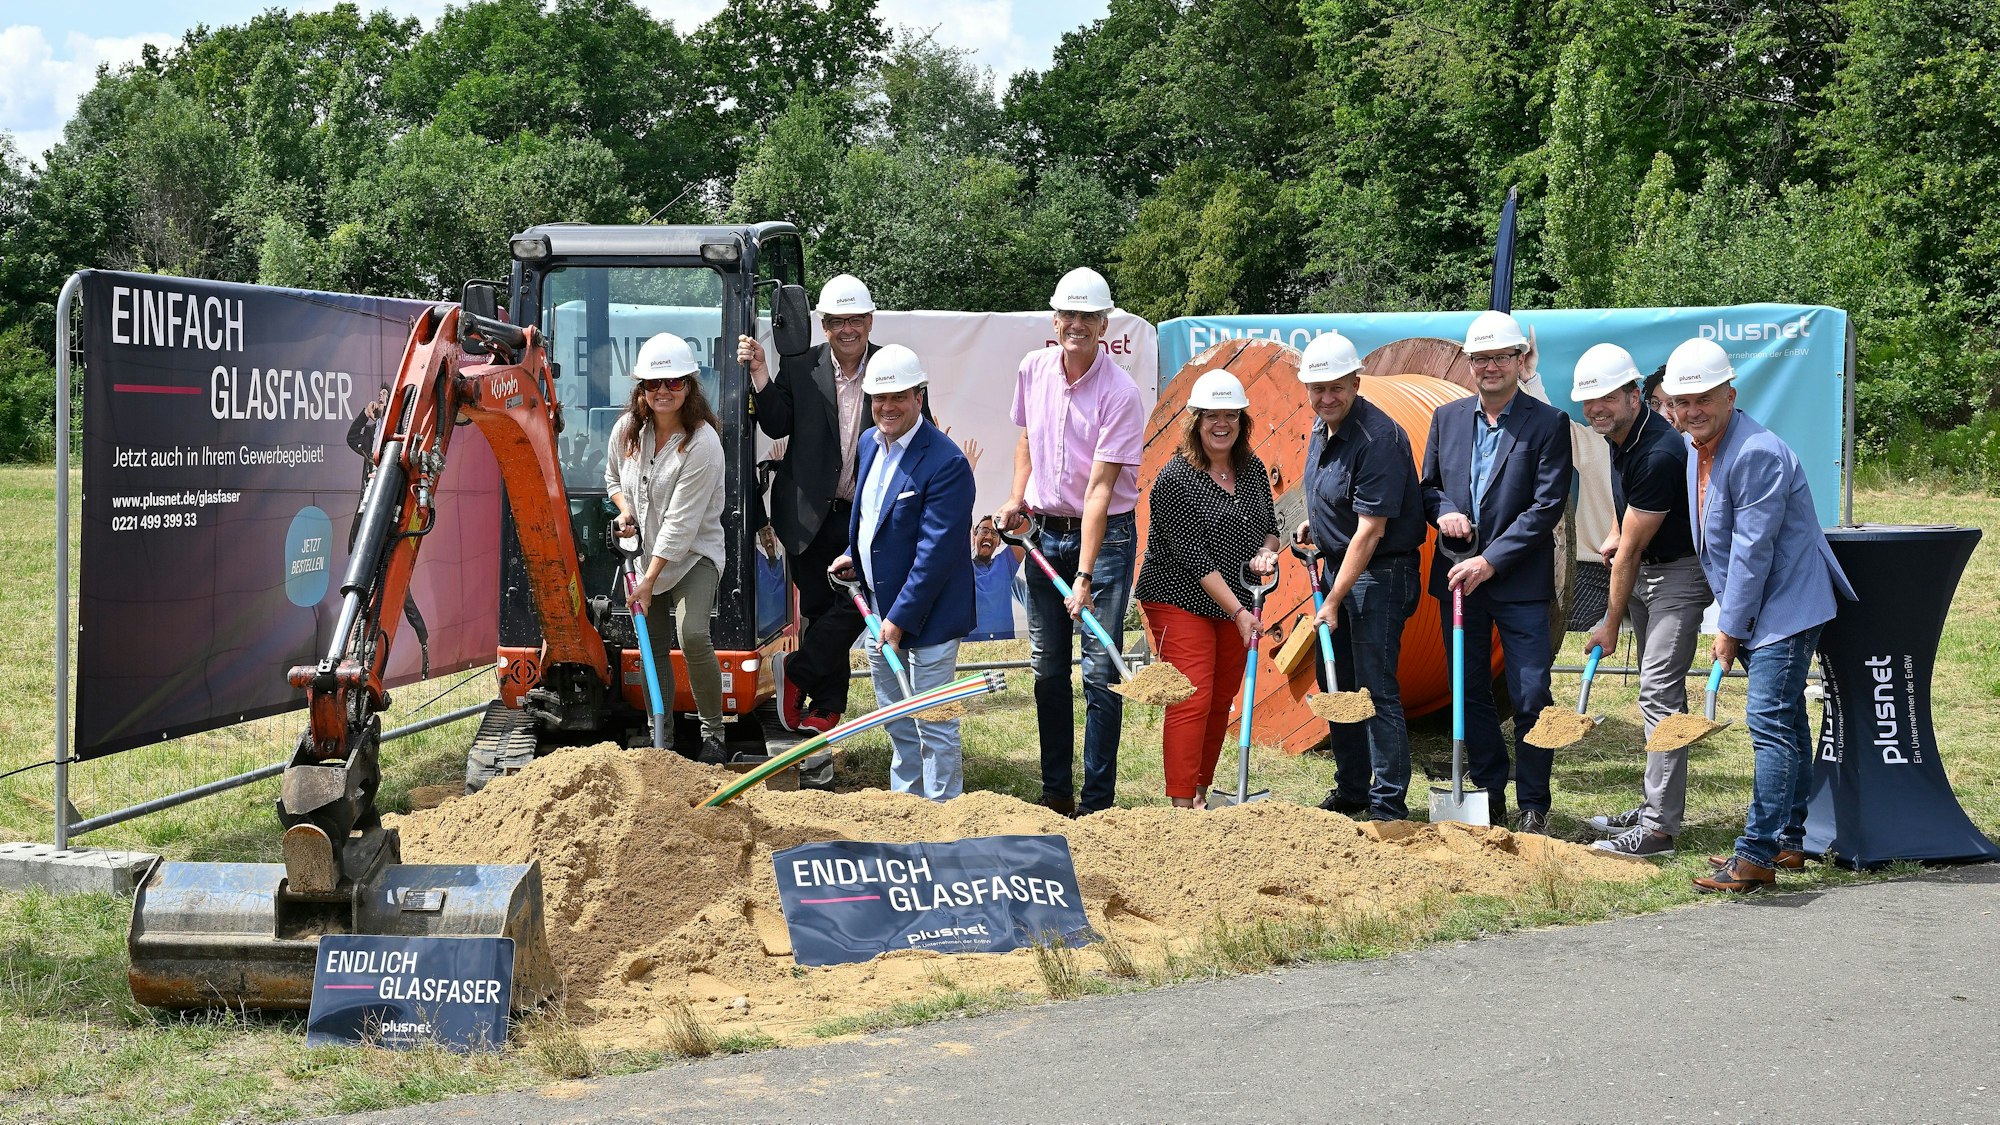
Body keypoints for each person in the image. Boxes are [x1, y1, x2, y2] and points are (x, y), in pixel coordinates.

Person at [1664, 338, 1856, 893]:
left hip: (1786, 605)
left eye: (1703, 398)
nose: (1692, 409)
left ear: (1730, 393)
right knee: (1789, 721)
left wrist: (1729, 628)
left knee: (1769, 725)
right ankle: (1791, 840)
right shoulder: (1698, 447)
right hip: (1760, 604)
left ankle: (1755, 855)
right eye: (1682, 400)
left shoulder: (1756, 453)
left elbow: (1754, 553)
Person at [994, 267, 1146, 817]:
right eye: (1069, 315)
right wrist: (1016, 499)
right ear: (1055, 320)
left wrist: (1084, 575)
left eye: (1089, 316)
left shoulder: (1121, 393)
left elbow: (1102, 491)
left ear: (1105, 324)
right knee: (1047, 665)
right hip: (1043, 533)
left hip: (1101, 542)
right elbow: (1026, 440)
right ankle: (1056, 793)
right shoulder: (1033, 369)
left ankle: (1098, 802)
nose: (1077, 325)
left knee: (1100, 672)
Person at [737, 274, 917, 734]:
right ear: (824, 324)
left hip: (869, 518)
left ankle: (797, 671)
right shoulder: (801, 365)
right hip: (808, 516)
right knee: (821, 609)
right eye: (837, 321)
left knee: (866, 603)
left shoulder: (892, 368)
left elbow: (918, 433)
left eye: (855, 319)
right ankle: (827, 706)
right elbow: (777, 426)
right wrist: (760, 374)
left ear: (870, 320)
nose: (847, 329)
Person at [1419, 310, 1574, 835]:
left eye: (1500, 357)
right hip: (1459, 578)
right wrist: (1443, 511)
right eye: (1480, 358)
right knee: (1467, 690)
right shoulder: (1447, 419)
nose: (1489, 367)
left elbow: (1547, 505)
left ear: (1520, 361)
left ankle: (1534, 802)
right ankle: (1489, 791)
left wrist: (1492, 560)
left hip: (1518, 584)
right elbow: (1428, 487)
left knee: (1531, 694)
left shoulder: (1548, 424)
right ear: (1469, 364)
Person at [1572, 344, 1710, 859]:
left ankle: (1657, 830)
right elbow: (1626, 515)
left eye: (1608, 396)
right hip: (1649, 567)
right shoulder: (1621, 437)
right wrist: (1612, 529)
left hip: (1677, 574)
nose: (1597, 408)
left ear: (1635, 395)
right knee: (1660, 694)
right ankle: (1656, 803)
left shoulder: (1657, 451)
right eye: (1589, 401)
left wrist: (1609, 622)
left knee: (1657, 691)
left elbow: (1630, 552)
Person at [830, 345, 977, 800]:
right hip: (878, 610)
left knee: (932, 720)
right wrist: (856, 553)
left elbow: (936, 554)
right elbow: (873, 515)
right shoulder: (869, 445)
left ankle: (941, 816)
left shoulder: (946, 462)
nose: (887, 407)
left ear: (919, 397)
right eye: (878, 398)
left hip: (926, 615)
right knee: (895, 718)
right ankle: (904, 807)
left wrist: (898, 620)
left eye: (898, 397)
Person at [1290, 332, 1426, 822]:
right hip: (1339, 570)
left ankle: (1388, 801)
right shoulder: (1322, 428)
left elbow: (1370, 533)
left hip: (1379, 578)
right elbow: (1337, 494)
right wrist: (1318, 521)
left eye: (1336, 388)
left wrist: (1331, 599)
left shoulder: (1379, 438)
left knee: (1374, 689)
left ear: (1355, 382)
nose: (1326, 397)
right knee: (1338, 687)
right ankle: (1352, 790)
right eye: (1317, 389)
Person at [1133, 370, 1280, 808]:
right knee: (1192, 695)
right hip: (1178, 596)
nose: (1222, 424)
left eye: (1231, 416)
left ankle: (1201, 792)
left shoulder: (1251, 470)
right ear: (1195, 421)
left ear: (1242, 421)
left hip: (1233, 599)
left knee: (1221, 698)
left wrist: (1267, 554)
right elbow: (1194, 559)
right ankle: (1180, 808)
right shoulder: (1175, 479)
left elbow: (1271, 530)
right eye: (1212, 416)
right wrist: (1239, 613)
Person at [605, 333, 730, 764]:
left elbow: (680, 523)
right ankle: (664, 739)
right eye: (653, 384)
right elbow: (613, 481)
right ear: (641, 389)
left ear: (689, 387)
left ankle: (713, 735)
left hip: (694, 554)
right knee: (651, 644)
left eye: (674, 383)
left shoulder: (702, 443)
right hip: (644, 555)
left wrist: (649, 580)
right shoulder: (627, 431)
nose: (663, 391)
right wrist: (625, 510)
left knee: (692, 633)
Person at [346, 384, 429, 676]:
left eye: (385, 397)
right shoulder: (372, 433)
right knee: (356, 558)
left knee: (391, 576)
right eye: (380, 397)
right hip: (365, 508)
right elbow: (350, 438)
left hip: (387, 513)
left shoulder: (397, 433)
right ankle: (360, 632)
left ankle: (420, 637)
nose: (381, 401)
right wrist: (364, 415)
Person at [969, 516, 1025, 642]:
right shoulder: (962, 566)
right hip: (968, 649)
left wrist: (1008, 518)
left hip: (1003, 647)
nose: (988, 536)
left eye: (994, 533)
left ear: (999, 541)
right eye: (984, 531)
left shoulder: (1005, 565)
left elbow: (1025, 526)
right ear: (974, 535)